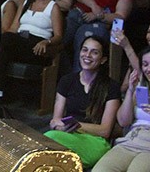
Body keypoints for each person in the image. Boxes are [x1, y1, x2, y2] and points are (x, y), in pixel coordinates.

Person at [44, 36, 121, 169]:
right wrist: (60, 126)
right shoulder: (67, 81)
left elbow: (105, 130)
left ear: (103, 59)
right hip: (68, 135)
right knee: (47, 146)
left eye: (94, 52)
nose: (88, 55)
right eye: (85, 50)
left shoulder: (111, 87)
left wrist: (78, 126)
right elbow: (55, 120)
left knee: (49, 141)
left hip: (96, 141)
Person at [0, 0, 63, 101]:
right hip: (19, 41)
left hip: (38, 46)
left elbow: (58, 36)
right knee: (2, 47)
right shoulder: (25, 3)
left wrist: (46, 42)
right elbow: (14, 28)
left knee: (5, 42)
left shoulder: (53, 7)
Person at [65, 0, 133, 70]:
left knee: (85, 37)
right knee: (62, 34)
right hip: (80, 14)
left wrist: (99, 15)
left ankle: (79, 76)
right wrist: (94, 6)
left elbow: (120, 17)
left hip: (100, 22)